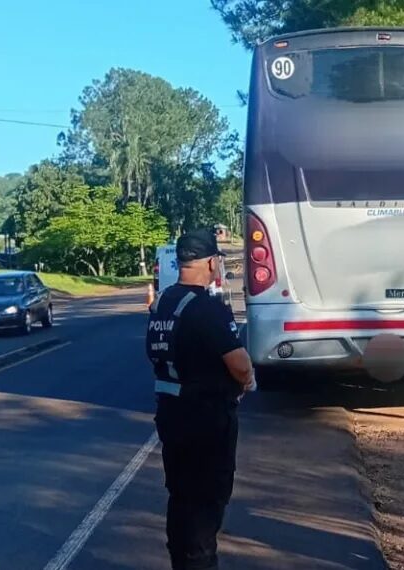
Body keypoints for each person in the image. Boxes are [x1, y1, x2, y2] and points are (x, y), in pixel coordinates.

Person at [145, 228, 256, 570]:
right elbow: (239, 363)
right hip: (207, 420)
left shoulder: (161, 303)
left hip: (171, 415)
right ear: (210, 262)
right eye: (217, 262)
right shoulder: (208, 309)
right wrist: (247, 379)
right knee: (207, 505)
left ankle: (183, 562)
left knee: (181, 498)